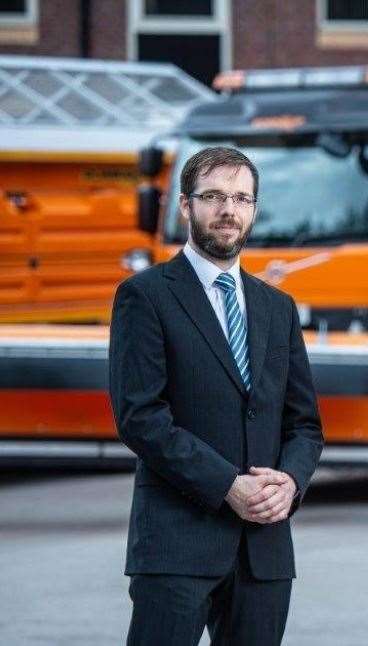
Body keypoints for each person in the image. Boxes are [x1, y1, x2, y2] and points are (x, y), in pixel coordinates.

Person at [108, 146, 323, 646]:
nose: (229, 210)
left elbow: (305, 424)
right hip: (176, 543)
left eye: (241, 198)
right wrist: (228, 485)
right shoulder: (146, 296)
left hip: (263, 551)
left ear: (253, 208)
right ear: (186, 206)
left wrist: (290, 482)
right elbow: (140, 417)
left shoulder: (277, 307)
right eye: (214, 197)